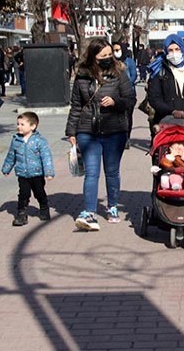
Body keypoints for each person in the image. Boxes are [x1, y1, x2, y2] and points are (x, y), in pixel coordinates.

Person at [65, 38, 137, 231]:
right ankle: (90, 212)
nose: (107, 58)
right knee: (91, 173)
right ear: (93, 56)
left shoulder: (119, 72)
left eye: (109, 54)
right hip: (88, 131)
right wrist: (71, 131)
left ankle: (112, 206)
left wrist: (115, 102)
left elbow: (130, 99)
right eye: (102, 55)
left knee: (112, 172)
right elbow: (76, 106)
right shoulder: (81, 76)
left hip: (115, 130)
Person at [2, 112, 55, 227]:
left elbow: (46, 157)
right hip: (22, 174)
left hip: (37, 173)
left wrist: (49, 172)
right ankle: (21, 214)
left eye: (22, 124)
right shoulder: (16, 140)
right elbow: (11, 155)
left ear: (33, 126)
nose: (19, 126)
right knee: (23, 194)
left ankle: (44, 208)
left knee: (39, 192)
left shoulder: (39, 141)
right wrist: (6, 168)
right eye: (18, 124)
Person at [112, 42, 138, 149]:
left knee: (127, 118)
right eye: (114, 50)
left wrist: (125, 86)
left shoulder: (129, 62)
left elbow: (134, 76)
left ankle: (127, 138)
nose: (116, 52)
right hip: (115, 95)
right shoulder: (111, 62)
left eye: (118, 50)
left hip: (128, 95)